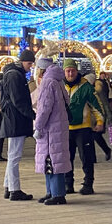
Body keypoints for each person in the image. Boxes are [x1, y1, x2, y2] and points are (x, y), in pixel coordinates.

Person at [63, 58, 105, 194]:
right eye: (68, 71)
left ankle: (88, 183)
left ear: (77, 71)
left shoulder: (85, 87)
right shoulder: (60, 86)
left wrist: (100, 122)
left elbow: (96, 106)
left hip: (83, 128)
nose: (70, 74)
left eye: (73, 71)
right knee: (66, 159)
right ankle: (68, 184)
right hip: (65, 129)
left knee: (86, 157)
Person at [0, 49, 36, 200]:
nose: (30, 66)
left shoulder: (13, 73)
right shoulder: (15, 76)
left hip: (12, 120)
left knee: (12, 155)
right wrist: (31, 115)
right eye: (29, 63)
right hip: (16, 121)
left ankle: (8, 187)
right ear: (22, 62)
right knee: (14, 156)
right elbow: (18, 100)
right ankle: (15, 190)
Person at [33, 60, 71, 205]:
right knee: (53, 160)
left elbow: (44, 108)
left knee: (52, 160)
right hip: (58, 126)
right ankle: (51, 192)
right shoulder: (58, 81)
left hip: (50, 129)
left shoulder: (47, 83)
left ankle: (57, 194)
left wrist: (38, 126)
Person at [92, 65, 112, 160]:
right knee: (90, 136)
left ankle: (106, 150)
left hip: (99, 115)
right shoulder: (88, 91)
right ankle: (92, 158)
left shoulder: (99, 89)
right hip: (90, 116)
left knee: (96, 135)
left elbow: (105, 103)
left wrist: (109, 115)